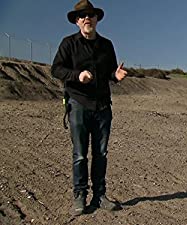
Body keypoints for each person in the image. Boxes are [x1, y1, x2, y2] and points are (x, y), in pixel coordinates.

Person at [51, 0, 127, 216]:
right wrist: (77, 75)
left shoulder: (107, 45)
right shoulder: (68, 44)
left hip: (103, 106)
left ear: (96, 19)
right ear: (77, 21)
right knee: (80, 154)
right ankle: (80, 196)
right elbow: (56, 69)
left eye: (90, 15)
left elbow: (110, 73)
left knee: (101, 153)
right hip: (79, 104)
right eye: (82, 16)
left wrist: (116, 76)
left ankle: (100, 195)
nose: (87, 18)